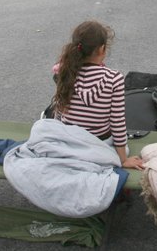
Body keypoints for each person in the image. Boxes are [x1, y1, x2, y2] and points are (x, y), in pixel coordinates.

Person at [52, 21, 143, 169]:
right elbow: (117, 122)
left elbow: (59, 109)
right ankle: (100, 158)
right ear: (102, 49)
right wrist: (123, 160)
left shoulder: (66, 72)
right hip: (99, 143)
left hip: (71, 142)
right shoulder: (114, 78)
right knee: (123, 148)